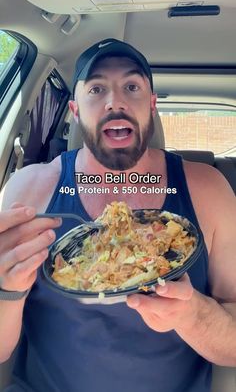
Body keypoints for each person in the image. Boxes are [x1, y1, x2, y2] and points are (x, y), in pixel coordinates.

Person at [0, 38, 235, 392]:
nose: (116, 102)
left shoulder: (208, 190)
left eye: (132, 86)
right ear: (75, 110)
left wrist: (192, 316)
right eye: (96, 89)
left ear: (151, 106)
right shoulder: (29, 190)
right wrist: (8, 291)